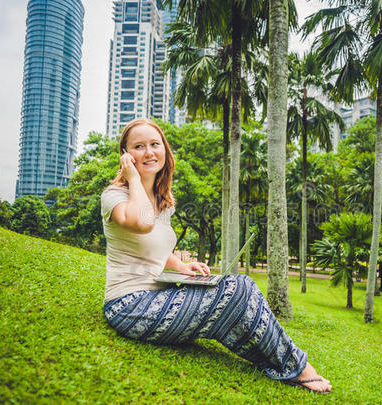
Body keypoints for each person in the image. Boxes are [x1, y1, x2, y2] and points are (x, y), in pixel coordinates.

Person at [101, 118, 332, 393]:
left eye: (155, 144)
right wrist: (134, 178)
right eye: (139, 146)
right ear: (126, 156)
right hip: (130, 307)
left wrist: (183, 266)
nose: (149, 152)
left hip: (160, 295)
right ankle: (298, 368)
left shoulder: (162, 201)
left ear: (165, 149)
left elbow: (157, 252)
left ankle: (279, 363)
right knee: (236, 292)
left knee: (241, 286)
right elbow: (141, 223)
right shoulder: (115, 195)